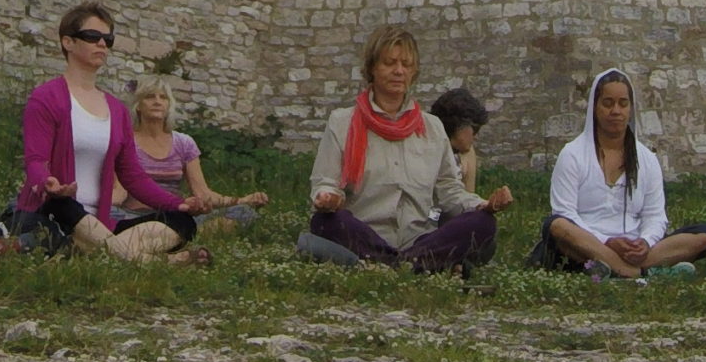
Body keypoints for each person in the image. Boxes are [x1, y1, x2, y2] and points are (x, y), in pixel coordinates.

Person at [300, 26, 513, 272]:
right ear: (372, 68)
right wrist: (328, 197)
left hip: (420, 238)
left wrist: (482, 205)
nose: (398, 71)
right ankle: (415, 266)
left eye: (406, 64)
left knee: (483, 224)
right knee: (326, 221)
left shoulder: (432, 127)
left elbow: (449, 192)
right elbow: (325, 181)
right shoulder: (342, 122)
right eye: (389, 63)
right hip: (364, 233)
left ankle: (387, 265)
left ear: (414, 71)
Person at [17, 3, 208, 263]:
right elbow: (35, 161)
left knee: (181, 222)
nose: (102, 45)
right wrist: (50, 183)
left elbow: (133, 176)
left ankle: (96, 254)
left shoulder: (117, 110)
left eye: (108, 39)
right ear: (68, 42)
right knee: (62, 205)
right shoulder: (46, 98)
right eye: (92, 37)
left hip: (101, 223)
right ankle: (163, 262)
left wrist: (178, 204)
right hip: (58, 212)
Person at [534, 68, 706, 281]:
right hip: (587, 245)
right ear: (595, 108)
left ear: (630, 109)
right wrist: (606, 242)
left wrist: (645, 243)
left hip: (634, 248)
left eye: (623, 103)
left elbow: (655, 215)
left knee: (704, 235)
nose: (616, 111)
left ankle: (615, 269)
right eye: (608, 103)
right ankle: (638, 273)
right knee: (557, 225)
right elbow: (565, 212)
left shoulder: (646, 158)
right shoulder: (573, 154)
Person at [117, 76, 269, 224]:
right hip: (134, 215)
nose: (157, 101)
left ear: (169, 105)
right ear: (138, 105)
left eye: (163, 97)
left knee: (244, 213)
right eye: (150, 97)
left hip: (174, 214)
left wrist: (242, 200)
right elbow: (118, 191)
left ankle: (176, 235)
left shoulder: (183, 143)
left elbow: (202, 192)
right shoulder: (124, 140)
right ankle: (174, 236)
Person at [430, 87, 490, 195]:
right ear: (458, 126)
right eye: (475, 130)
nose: (476, 137)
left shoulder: (467, 152)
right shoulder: (425, 150)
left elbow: (469, 195)